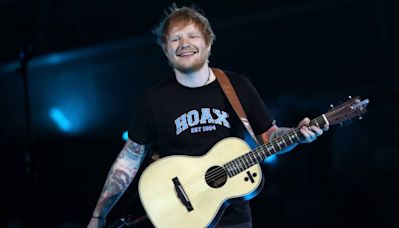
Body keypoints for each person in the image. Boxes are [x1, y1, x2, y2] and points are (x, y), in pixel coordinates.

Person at [87, 5, 328, 228]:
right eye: (175, 38)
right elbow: (128, 160)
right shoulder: (152, 100)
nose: (184, 43)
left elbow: (269, 136)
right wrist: (99, 215)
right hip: (179, 218)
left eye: (192, 36)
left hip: (234, 220)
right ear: (165, 49)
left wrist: (296, 136)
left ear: (208, 44)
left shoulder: (238, 87)